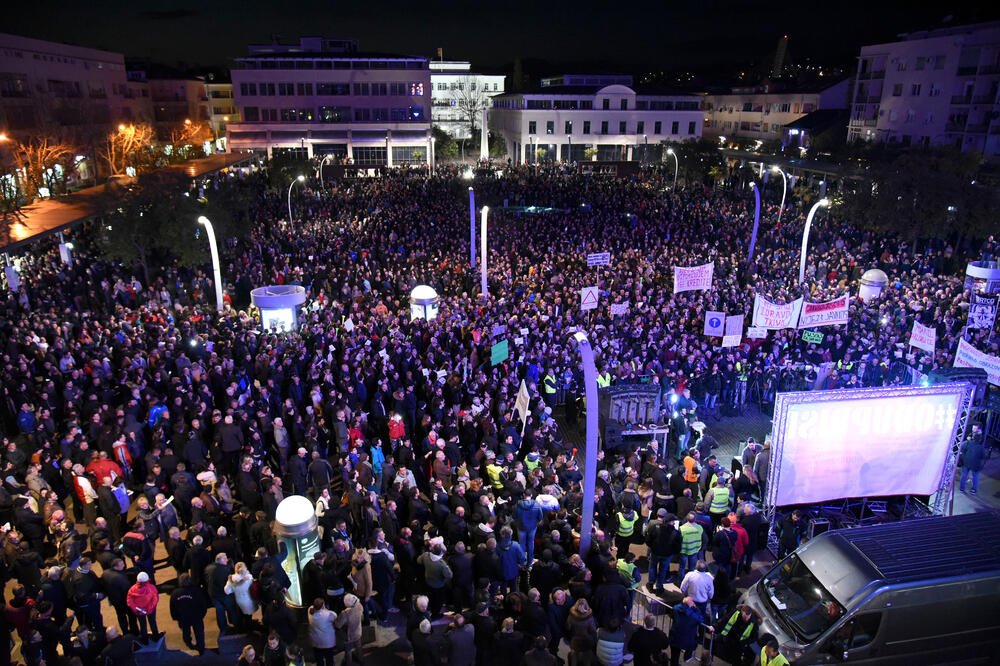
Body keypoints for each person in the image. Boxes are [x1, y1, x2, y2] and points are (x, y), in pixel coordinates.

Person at [169, 573, 207, 654]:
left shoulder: (175, 593)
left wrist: (175, 617)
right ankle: (201, 648)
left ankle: (189, 644)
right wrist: (202, 615)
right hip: (196, 617)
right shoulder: (196, 591)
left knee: (186, 632)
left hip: (183, 618)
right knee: (199, 633)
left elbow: (172, 607)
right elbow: (203, 604)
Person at [668, 597, 706, 666]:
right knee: (691, 647)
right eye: (692, 602)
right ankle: (687, 657)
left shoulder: (676, 608)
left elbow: (675, 609)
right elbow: (701, 619)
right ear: (691, 604)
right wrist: (696, 609)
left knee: (674, 656)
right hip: (688, 640)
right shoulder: (693, 615)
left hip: (675, 637)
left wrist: (685, 603)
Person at [125, 572, 159, 642]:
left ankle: (145, 640)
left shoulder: (132, 589)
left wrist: (137, 609)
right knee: (152, 622)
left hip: (139, 612)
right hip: (150, 611)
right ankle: (156, 637)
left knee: (142, 625)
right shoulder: (152, 588)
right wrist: (148, 609)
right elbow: (155, 600)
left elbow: (129, 601)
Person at [336, 593, 365, 666]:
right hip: (358, 632)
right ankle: (361, 660)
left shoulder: (345, 614)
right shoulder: (360, 606)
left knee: (348, 650)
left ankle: (349, 663)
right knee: (359, 647)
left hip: (348, 635)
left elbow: (338, 625)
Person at [307, 598, 338, 666]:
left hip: (316, 642)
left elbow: (311, 607)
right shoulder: (328, 614)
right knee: (329, 660)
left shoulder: (310, 611)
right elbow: (335, 616)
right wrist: (325, 609)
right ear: (323, 605)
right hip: (327, 643)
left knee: (319, 660)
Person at [959, 428, 986, 494]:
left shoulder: (967, 443)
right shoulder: (981, 447)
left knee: (964, 475)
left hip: (966, 462)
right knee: (975, 476)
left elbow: (961, 448)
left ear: (973, 437)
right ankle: (974, 490)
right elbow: (983, 457)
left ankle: (962, 488)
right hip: (976, 464)